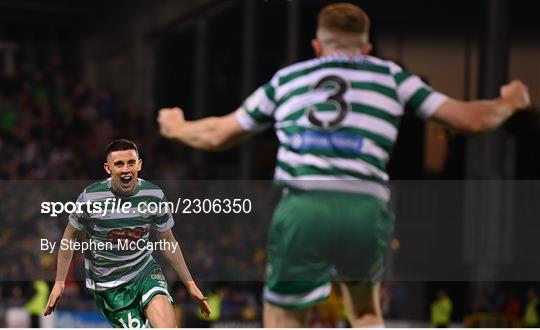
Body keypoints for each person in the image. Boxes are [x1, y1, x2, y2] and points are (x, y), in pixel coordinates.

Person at [157, 3, 531, 327]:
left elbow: (221, 133)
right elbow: (471, 120)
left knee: (284, 316)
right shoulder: (391, 77)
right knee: (366, 312)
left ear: (317, 46)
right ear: (367, 47)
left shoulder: (289, 80)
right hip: (365, 208)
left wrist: (177, 127)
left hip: (305, 205)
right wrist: (509, 102)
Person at [43, 139, 211, 327]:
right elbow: (69, 238)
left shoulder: (154, 195)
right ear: (108, 168)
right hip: (110, 287)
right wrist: (59, 283)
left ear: (139, 164)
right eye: (119, 164)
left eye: (131, 163)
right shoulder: (90, 198)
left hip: (144, 272)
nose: (125, 169)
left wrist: (190, 284)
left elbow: (168, 241)